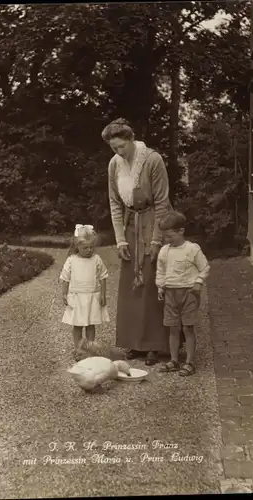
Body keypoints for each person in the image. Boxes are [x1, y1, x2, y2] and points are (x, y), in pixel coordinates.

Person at [102, 117, 173, 366]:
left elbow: (163, 202)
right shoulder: (114, 165)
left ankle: (154, 345)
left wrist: (156, 241)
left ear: (132, 139)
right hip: (131, 227)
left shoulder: (152, 160)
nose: (119, 152)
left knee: (153, 282)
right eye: (114, 148)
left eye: (122, 146)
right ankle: (134, 343)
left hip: (155, 223)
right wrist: (120, 240)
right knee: (132, 284)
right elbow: (114, 203)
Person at [155, 211, 210, 376]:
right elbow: (161, 271)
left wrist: (198, 283)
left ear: (181, 231)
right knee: (172, 328)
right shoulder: (164, 251)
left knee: (188, 327)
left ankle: (190, 362)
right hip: (170, 294)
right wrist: (160, 287)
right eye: (164, 236)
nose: (167, 240)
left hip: (189, 293)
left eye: (170, 236)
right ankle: (174, 360)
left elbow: (205, 267)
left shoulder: (192, 249)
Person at [59, 224, 110, 360]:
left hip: (92, 296)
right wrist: (64, 293)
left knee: (90, 324)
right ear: (77, 247)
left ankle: (90, 349)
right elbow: (65, 277)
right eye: (85, 248)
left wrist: (103, 294)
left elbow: (103, 276)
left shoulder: (96, 259)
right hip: (77, 297)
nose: (89, 250)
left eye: (91, 247)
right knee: (77, 325)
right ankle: (78, 350)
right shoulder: (71, 260)